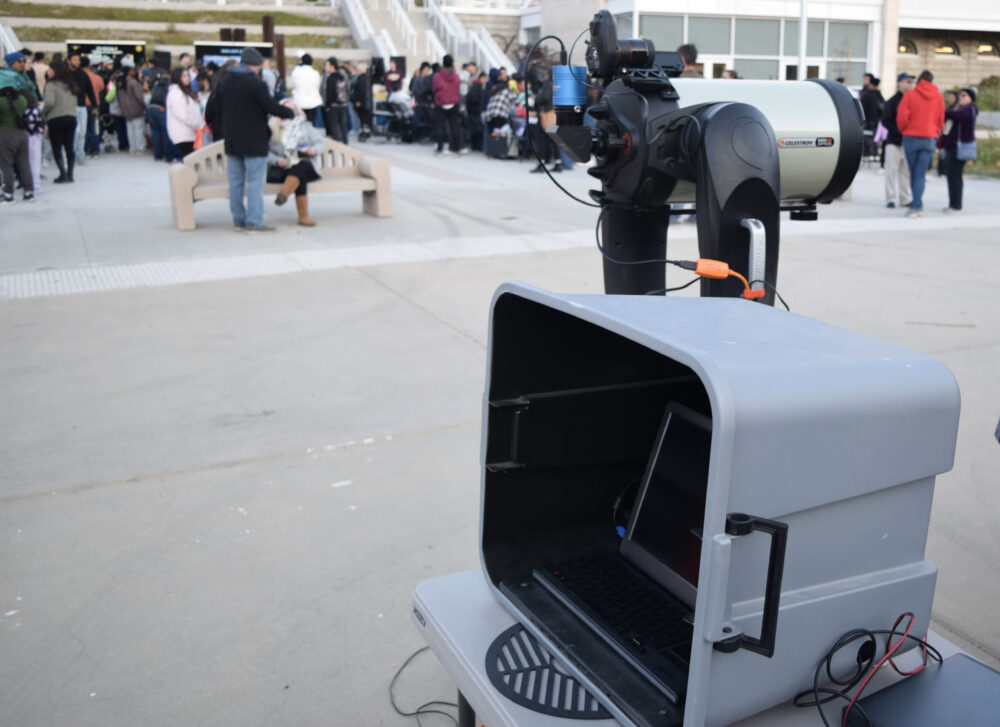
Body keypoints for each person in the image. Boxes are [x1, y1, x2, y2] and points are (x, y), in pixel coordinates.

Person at [209, 47, 295, 233]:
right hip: (254, 141)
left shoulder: (224, 82)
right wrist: (289, 112)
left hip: (232, 141)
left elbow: (217, 110)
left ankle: (238, 220)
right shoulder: (255, 83)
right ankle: (254, 222)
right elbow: (270, 106)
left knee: (235, 183)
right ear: (256, 65)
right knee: (255, 183)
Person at [897, 70, 944, 218]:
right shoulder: (938, 97)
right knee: (921, 174)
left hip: (911, 137)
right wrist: (935, 132)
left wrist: (905, 131)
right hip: (929, 138)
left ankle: (916, 206)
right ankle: (917, 205)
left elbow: (902, 117)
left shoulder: (910, 95)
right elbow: (941, 120)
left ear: (919, 81)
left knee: (914, 173)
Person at [268, 107, 325, 226]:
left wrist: (314, 150)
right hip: (283, 169)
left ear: (297, 111)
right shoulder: (273, 128)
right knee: (300, 176)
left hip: (306, 166)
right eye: (285, 108)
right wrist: (276, 160)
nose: (288, 111)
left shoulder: (305, 126)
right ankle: (303, 217)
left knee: (302, 165)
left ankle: (284, 194)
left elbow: (320, 143)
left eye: (292, 109)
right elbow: (265, 151)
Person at [940, 87, 979, 213]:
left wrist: (942, 110)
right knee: (952, 176)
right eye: (960, 95)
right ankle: (953, 203)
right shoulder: (961, 109)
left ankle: (956, 205)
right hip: (953, 147)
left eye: (964, 95)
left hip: (960, 148)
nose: (960, 98)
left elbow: (956, 115)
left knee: (955, 176)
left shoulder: (970, 109)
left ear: (970, 98)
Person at [880, 72, 914, 209]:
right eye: (907, 81)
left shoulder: (913, 100)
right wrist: (899, 131)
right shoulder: (892, 101)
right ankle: (891, 198)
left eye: (911, 82)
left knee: (906, 172)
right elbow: (885, 120)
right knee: (891, 171)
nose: (910, 84)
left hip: (908, 141)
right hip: (893, 141)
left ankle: (905, 198)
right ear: (899, 83)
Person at [42, 60, 78, 183]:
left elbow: (49, 102)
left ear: (55, 71)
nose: (48, 72)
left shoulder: (51, 85)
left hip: (56, 118)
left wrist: (43, 113)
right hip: (71, 117)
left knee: (56, 147)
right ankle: (70, 174)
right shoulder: (71, 84)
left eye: (50, 70)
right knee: (69, 147)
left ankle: (62, 174)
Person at [0, 85, 34, 202]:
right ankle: (29, 192)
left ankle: (8, 194)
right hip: (22, 134)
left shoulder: (1, 101)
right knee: (24, 164)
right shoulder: (22, 100)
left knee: (6, 165)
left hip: (5, 135)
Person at [166, 66, 202, 158]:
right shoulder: (176, 93)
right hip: (184, 134)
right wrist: (196, 124)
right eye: (184, 76)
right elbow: (182, 115)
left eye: (187, 75)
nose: (187, 78)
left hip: (189, 133)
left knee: (191, 161)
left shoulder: (182, 92)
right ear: (177, 78)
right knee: (190, 161)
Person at [432, 54, 463, 155]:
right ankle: (456, 148)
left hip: (441, 103)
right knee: (454, 126)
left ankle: (440, 147)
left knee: (440, 127)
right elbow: (458, 88)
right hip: (454, 103)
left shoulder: (437, 76)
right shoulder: (456, 76)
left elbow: (434, 89)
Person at [116, 64, 148, 154]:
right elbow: (139, 97)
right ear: (129, 72)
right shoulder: (133, 82)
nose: (134, 72)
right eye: (132, 70)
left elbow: (118, 98)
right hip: (136, 109)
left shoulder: (120, 83)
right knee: (139, 130)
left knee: (130, 130)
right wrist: (144, 106)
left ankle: (132, 148)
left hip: (125, 110)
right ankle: (140, 148)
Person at [322, 57, 350, 144]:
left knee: (334, 125)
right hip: (343, 104)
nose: (325, 67)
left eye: (327, 65)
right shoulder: (342, 76)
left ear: (332, 66)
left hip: (334, 105)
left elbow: (330, 93)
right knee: (343, 124)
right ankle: (345, 142)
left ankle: (337, 144)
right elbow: (347, 88)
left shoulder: (330, 78)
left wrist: (327, 105)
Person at [81, 56, 104, 157]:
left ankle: (84, 149)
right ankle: (95, 149)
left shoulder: (78, 77)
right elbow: (101, 87)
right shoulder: (97, 77)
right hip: (94, 105)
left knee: (83, 129)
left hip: (82, 105)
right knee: (95, 128)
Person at [290, 53, 322, 123]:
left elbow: (293, 84)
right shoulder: (315, 73)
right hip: (313, 102)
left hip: (299, 102)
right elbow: (318, 86)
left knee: (300, 124)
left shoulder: (296, 71)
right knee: (311, 124)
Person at [859, 74, 884, 157]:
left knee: (867, 141)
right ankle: (874, 155)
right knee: (876, 140)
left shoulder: (866, 96)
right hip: (878, 122)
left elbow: (861, 109)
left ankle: (868, 155)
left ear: (871, 85)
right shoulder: (880, 96)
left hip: (868, 122)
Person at [352, 63, 373, 141]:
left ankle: (365, 132)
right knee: (365, 119)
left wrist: (358, 100)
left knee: (363, 119)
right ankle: (366, 131)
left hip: (362, 103)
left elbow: (360, 91)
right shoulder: (367, 78)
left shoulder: (361, 79)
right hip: (366, 103)